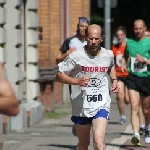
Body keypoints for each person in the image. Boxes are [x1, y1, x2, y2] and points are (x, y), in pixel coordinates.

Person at [56, 24, 119, 150]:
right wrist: (76, 81)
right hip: (81, 105)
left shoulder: (109, 54)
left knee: (99, 143)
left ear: (102, 38)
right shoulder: (76, 56)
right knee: (84, 144)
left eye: (96, 39)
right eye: (90, 38)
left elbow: (111, 66)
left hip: (101, 103)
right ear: (85, 38)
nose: (94, 42)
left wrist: (114, 80)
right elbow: (58, 76)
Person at [56, 17, 90, 136]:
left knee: (87, 104)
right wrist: (67, 53)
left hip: (89, 78)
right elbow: (57, 59)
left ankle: (81, 127)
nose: (83, 29)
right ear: (78, 27)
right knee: (77, 104)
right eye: (82, 26)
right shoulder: (70, 41)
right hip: (74, 79)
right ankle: (77, 125)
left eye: (86, 27)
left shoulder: (91, 41)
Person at [121, 19, 150, 146]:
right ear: (133, 29)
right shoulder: (129, 43)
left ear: (144, 28)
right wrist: (123, 63)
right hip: (133, 77)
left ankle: (148, 129)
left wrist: (144, 60)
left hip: (146, 78)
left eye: (140, 28)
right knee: (134, 106)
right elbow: (125, 55)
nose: (138, 31)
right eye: (136, 29)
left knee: (146, 110)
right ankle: (136, 135)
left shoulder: (149, 42)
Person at [111, 26, 129, 125]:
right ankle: (122, 116)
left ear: (124, 36)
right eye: (117, 35)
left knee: (127, 99)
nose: (119, 37)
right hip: (118, 74)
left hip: (128, 74)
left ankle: (127, 100)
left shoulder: (128, 46)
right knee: (120, 95)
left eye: (121, 35)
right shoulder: (114, 47)